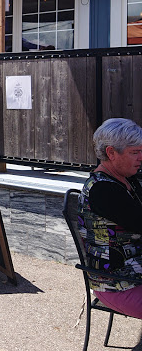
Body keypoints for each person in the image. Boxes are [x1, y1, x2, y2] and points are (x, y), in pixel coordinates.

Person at [78, 118, 142, 319]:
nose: (141, 157)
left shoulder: (126, 180)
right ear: (111, 153)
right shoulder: (103, 190)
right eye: (135, 152)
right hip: (117, 284)